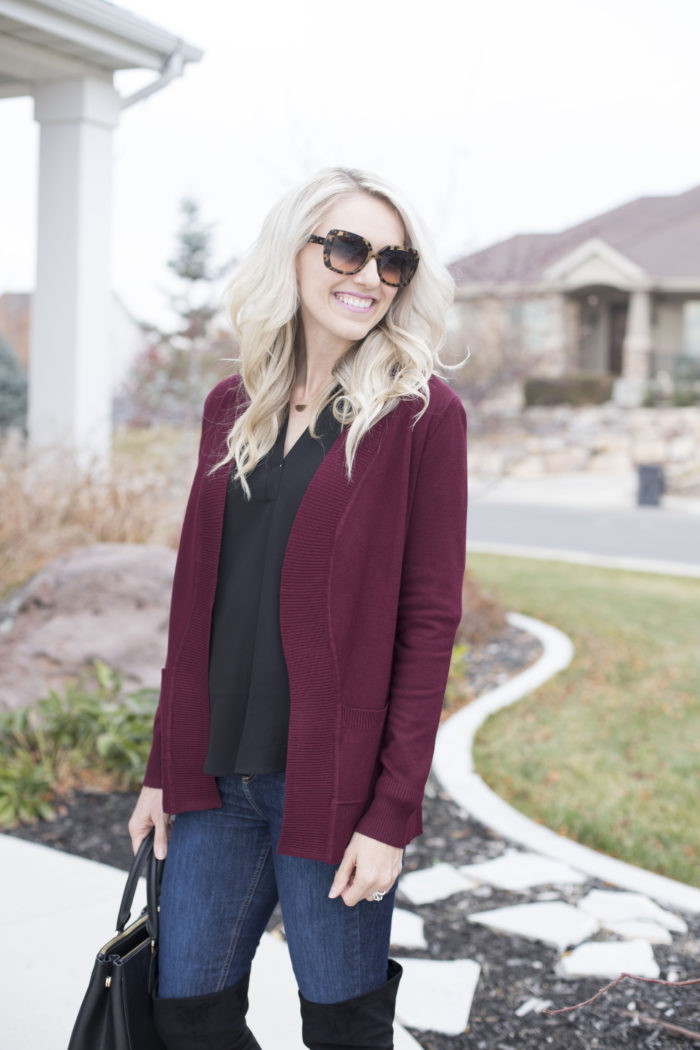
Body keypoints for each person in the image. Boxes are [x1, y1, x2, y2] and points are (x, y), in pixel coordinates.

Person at [128, 167, 467, 1050]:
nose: (370, 275)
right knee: (186, 1016)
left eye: (393, 260)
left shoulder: (422, 414)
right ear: (296, 253)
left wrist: (391, 814)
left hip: (335, 787)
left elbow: (429, 623)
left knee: (343, 1029)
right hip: (214, 781)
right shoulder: (230, 407)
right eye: (348, 247)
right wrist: (165, 765)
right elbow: (195, 598)